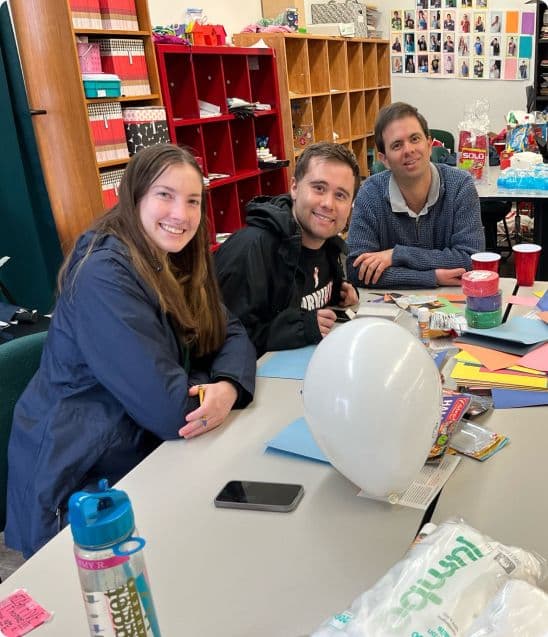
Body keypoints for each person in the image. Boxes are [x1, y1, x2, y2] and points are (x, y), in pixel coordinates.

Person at [5, 145, 257, 557]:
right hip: (79, 478)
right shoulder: (103, 274)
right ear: (134, 196)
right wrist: (204, 390)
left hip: (135, 451)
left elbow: (229, 330)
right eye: (165, 195)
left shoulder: (171, 255)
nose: (181, 213)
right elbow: (172, 410)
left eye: (192, 201)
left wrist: (227, 384)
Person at [215, 143, 361, 357]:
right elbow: (224, 343)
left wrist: (343, 294)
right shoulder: (250, 250)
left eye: (341, 195)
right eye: (319, 188)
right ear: (294, 187)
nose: (328, 204)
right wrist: (302, 328)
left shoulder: (329, 245)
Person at [346, 102, 484, 289]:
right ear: (384, 159)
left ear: (429, 145)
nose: (409, 150)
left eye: (415, 139)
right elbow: (358, 269)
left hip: (455, 305)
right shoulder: (370, 194)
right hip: (391, 311)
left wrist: (396, 255)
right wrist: (431, 277)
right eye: (397, 145)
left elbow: (470, 260)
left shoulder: (460, 185)